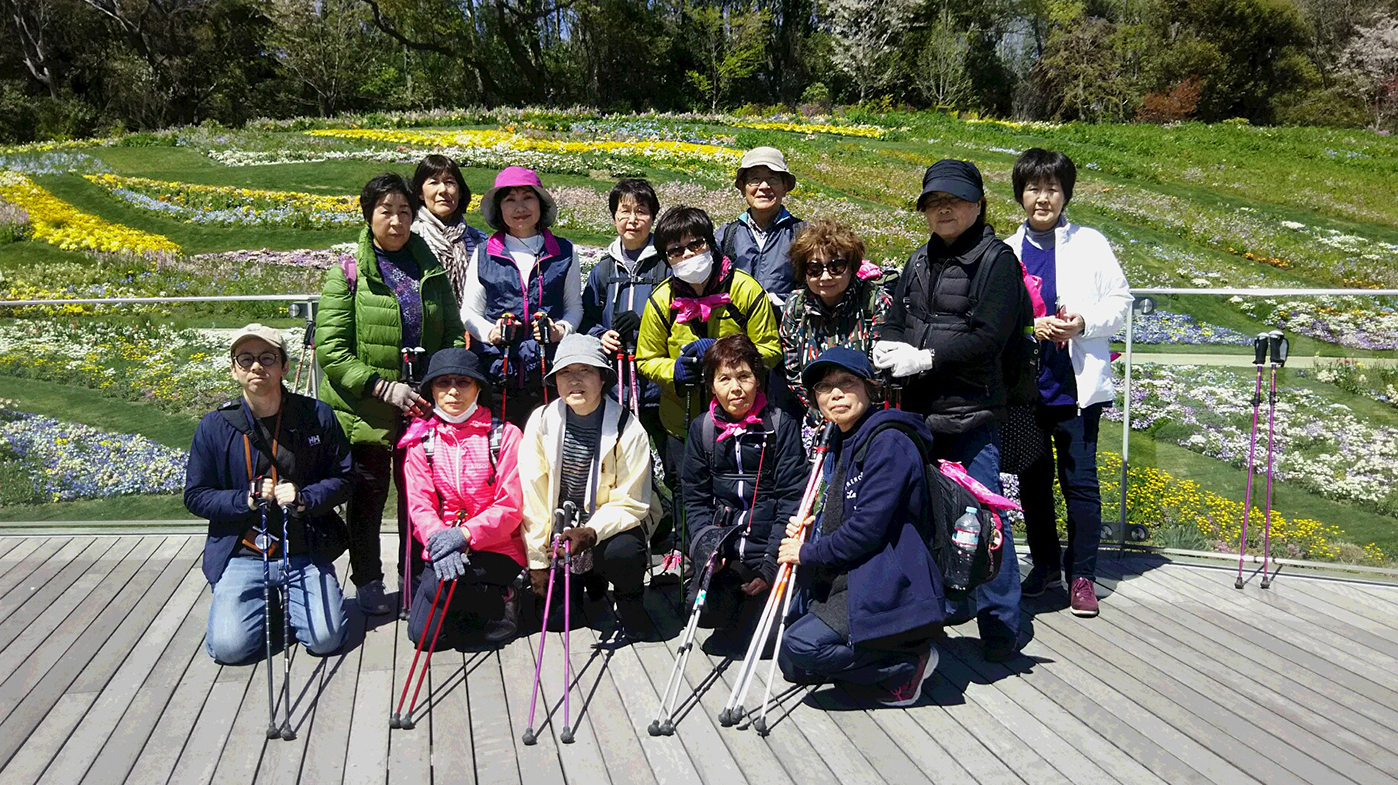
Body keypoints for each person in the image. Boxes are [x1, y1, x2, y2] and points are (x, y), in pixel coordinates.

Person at [873, 159, 1026, 661]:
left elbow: (990, 337)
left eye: (954, 201)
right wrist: (889, 348)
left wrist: (929, 357)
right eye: (934, 202)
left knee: (984, 518)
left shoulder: (997, 260)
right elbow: (896, 318)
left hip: (972, 412)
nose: (944, 210)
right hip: (919, 411)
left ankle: (1001, 620)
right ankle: (935, 607)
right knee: (926, 516)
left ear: (979, 205)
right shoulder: (918, 260)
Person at [316, 172, 467, 616]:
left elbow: (454, 334)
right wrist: (384, 387)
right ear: (368, 216)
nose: (397, 221)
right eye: (386, 212)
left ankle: (414, 583)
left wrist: (438, 382)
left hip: (421, 408)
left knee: (420, 501)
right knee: (367, 500)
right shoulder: (346, 273)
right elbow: (332, 350)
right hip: (366, 413)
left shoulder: (431, 270)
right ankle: (367, 581)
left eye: (405, 211)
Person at [776, 347, 942, 706]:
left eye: (847, 383)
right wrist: (811, 527)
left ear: (870, 388)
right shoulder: (840, 436)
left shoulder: (889, 442)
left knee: (802, 646)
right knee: (792, 665)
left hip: (888, 575)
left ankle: (907, 661)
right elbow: (840, 510)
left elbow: (866, 531)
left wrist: (806, 552)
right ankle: (873, 647)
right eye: (824, 387)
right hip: (853, 569)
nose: (835, 394)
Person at [1005, 149, 1130, 617]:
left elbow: (1120, 301)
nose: (1043, 198)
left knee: (1080, 484)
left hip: (1075, 389)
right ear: (1021, 194)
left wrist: (1082, 324)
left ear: (1066, 194)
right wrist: (1029, 327)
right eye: (1034, 188)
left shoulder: (1091, 243)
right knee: (1032, 485)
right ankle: (1044, 566)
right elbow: (999, 319)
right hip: (1028, 391)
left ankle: (1082, 576)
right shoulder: (1006, 250)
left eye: (1052, 188)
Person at [186, 325, 351, 663]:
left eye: (267, 358)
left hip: (303, 549)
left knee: (326, 639)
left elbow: (344, 478)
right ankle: (268, 608)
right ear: (234, 368)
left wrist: (306, 497)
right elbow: (196, 495)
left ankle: (285, 602)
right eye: (245, 359)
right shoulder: (214, 426)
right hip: (242, 553)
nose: (256, 367)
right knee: (230, 649)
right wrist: (242, 499)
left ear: (284, 366)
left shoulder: (317, 416)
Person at [518, 333, 660, 639]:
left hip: (607, 529)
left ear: (603, 378)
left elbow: (633, 502)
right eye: (566, 372)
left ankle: (629, 601)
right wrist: (538, 562)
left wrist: (591, 532)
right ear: (555, 380)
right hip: (560, 531)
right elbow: (533, 496)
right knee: (558, 621)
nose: (574, 380)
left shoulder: (628, 426)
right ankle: (589, 588)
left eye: (585, 371)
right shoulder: (540, 421)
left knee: (624, 552)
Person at [636, 206, 782, 490]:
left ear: (711, 243)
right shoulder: (661, 298)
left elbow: (770, 349)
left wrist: (723, 357)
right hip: (682, 421)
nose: (688, 254)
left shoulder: (745, 289)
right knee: (687, 494)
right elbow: (646, 358)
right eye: (676, 250)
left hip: (742, 417)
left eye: (695, 244)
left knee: (742, 490)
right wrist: (675, 370)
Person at [681, 334, 805, 654]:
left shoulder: (781, 425)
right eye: (724, 378)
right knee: (702, 611)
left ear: (758, 381)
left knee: (763, 643)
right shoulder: (703, 429)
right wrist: (708, 547)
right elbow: (694, 497)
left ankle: (763, 608)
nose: (735, 388)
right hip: (726, 547)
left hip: (766, 546)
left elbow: (792, 498)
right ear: (711, 386)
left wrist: (770, 566)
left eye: (744, 377)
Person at [399, 348, 526, 649]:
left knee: (443, 595)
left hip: (498, 548)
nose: (453, 391)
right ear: (431, 389)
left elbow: (511, 505)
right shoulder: (421, 440)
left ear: (479, 387)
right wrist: (442, 540)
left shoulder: (505, 435)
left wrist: (465, 534)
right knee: (424, 637)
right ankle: (480, 605)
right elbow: (420, 504)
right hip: (443, 545)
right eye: (442, 383)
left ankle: (507, 594)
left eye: (463, 382)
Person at [459, 167, 583, 430]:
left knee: (549, 443)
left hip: (549, 370)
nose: (519, 207)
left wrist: (561, 330)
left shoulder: (565, 252)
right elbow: (470, 311)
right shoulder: (483, 253)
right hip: (497, 370)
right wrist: (490, 332)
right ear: (499, 208)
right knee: (502, 447)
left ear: (540, 203)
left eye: (527, 197)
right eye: (509, 199)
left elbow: (574, 308)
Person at [780, 219, 893, 427]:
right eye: (814, 269)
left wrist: (849, 415)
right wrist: (820, 411)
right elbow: (794, 370)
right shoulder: (795, 306)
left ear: (851, 267)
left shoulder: (875, 303)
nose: (825, 276)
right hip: (818, 420)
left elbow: (879, 371)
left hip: (868, 419)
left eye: (836, 266)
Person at [581, 178, 670, 438]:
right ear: (614, 216)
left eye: (641, 211)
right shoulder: (604, 269)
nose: (632, 220)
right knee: (621, 460)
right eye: (625, 211)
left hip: (659, 387)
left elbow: (680, 313)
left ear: (653, 217)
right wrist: (600, 335)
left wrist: (645, 324)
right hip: (616, 384)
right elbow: (586, 318)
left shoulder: (666, 265)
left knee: (672, 467)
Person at [717, 147, 805, 309]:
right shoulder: (726, 235)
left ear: (784, 188)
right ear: (743, 188)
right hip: (734, 330)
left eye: (772, 179)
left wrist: (781, 305)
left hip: (784, 331)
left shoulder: (803, 234)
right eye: (755, 179)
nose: (764, 187)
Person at [411, 154, 487, 308]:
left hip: (472, 326)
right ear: (420, 192)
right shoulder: (411, 237)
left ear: (459, 192)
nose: (442, 190)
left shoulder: (478, 239)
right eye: (433, 183)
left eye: (449, 182)